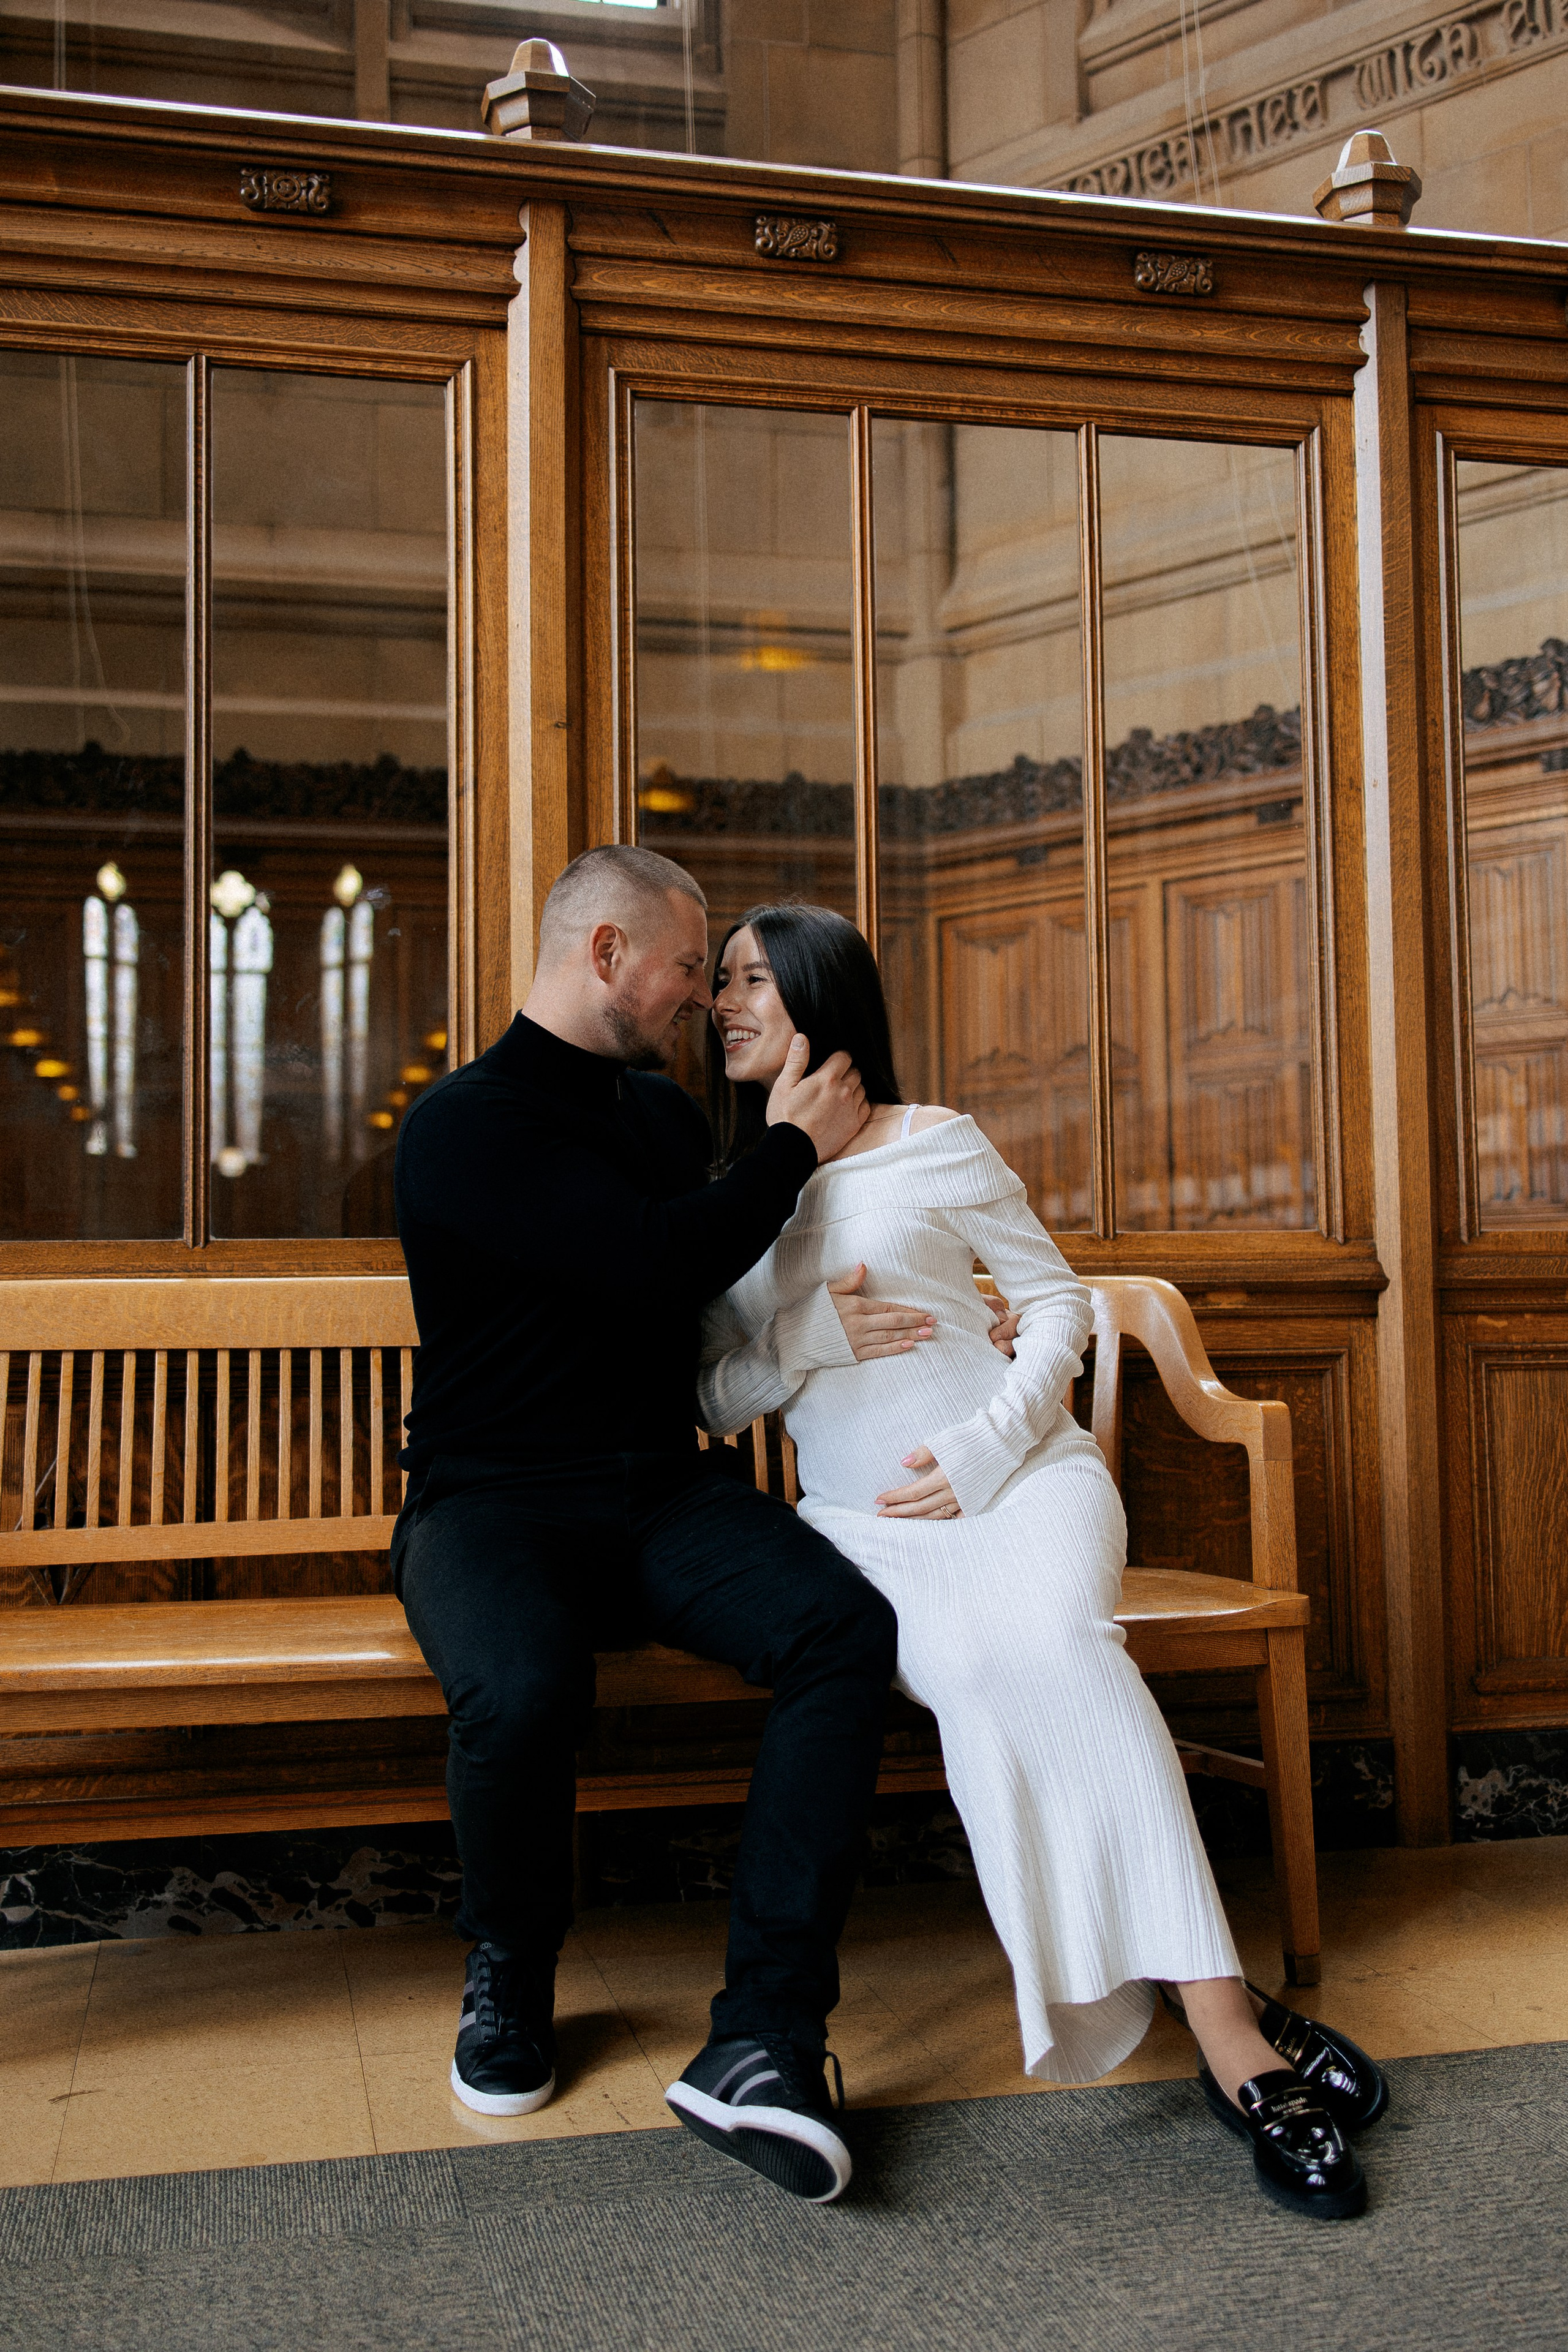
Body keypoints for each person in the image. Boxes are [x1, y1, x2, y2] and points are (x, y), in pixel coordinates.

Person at [698, 900, 1389, 2222]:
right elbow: (718, 1395)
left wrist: (984, 1449)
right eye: (717, 983)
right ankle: (1234, 2008)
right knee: (977, 1675)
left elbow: (1055, 1301)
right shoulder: (724, 1194)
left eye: (749, 979)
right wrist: (811, 1344)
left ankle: (1228, 2046)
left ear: (818, 997)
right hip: (863, 1533)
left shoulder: (930, 1142)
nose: (724, 1003)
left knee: (1061, 1647)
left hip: (1023, 1487)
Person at [392, 846, 899, 2207]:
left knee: (843, 1630)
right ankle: (508, 1968)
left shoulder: (662, 1122)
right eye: (687, 967)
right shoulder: (464, 1124)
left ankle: (768, 2032)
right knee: (522, 1688)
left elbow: (726, 1296)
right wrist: (797, 1145)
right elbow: (650, 1261)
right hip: (487, 1497)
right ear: (607, 954)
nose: (698, 997)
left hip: (655, 1488)